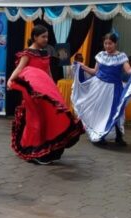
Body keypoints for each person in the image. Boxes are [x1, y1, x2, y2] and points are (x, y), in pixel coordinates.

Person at [7, 25, 83, 165]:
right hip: (33, 94)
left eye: (47, 37)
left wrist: (53, 90)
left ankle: (46, 149)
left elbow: (48, 73)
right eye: (43, 37)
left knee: (48, 118)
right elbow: (19, 69)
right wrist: (10, 80)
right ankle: (34, 151)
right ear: (35, 37)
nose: (46, 39)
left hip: (44, 93)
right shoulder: (27, 53)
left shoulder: (45, 53)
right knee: (36, 120)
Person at [72, 32, 131, 146]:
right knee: (99, 111)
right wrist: (82, 67)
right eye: (106, 43)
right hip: (98, 87)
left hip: (114, 88)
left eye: (110, 43)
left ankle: (119, 137)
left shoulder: (121, 56)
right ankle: (100, 135)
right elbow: (95, 71)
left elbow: (128, 71)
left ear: (115, 43)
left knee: (116, 111)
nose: (108, 46)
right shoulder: (100, 55)